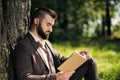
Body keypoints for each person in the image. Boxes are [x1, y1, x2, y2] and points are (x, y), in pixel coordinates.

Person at [12, 7, 99, 80]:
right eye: (48, 24)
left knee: (89, 61)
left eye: (52, 26)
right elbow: (24, 77)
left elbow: (59, 61)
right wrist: (55, 78)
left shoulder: (46, 43)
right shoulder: (24, 46)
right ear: (36, 21)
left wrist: (78, 57)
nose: (51, 30)